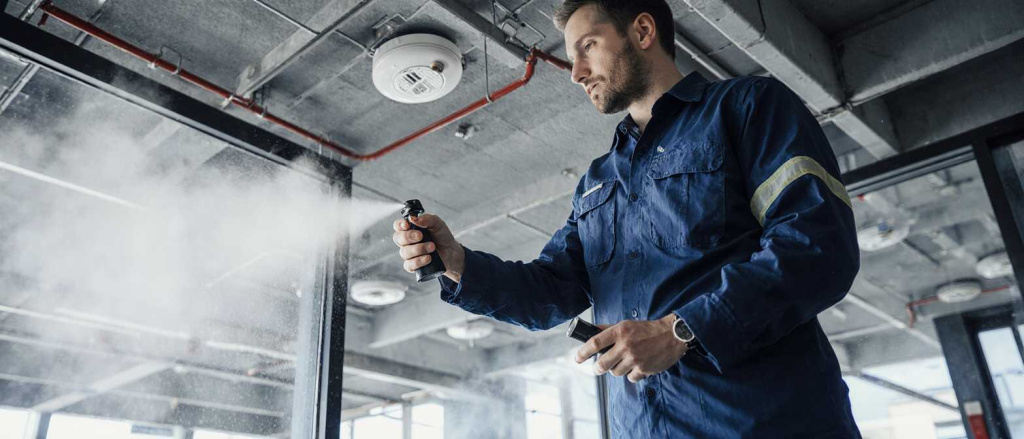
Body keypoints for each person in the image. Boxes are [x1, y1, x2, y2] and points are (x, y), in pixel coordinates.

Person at [392, 0, 861, 437]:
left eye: (588, 47)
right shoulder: (598, 180)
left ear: (641, 30)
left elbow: (817, 246)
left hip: (766, 423)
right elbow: (550, 291)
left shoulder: (748, 107)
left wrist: (683, 328)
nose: (576, 73)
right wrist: (456, 261)